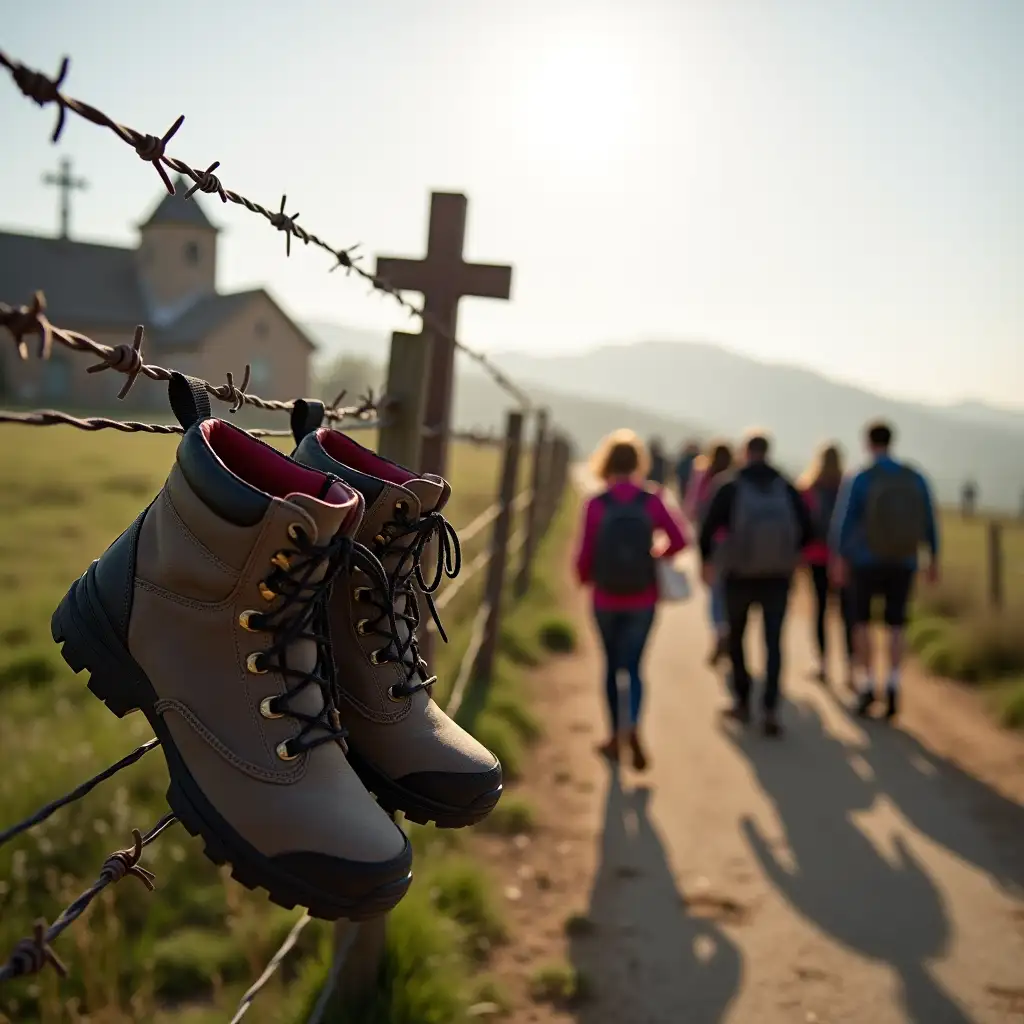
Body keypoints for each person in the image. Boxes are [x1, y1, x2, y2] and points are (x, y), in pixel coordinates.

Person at [574, 429, 688, 769]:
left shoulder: (597, 503)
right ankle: (634, 724)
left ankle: (613, 736)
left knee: (611, 668)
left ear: (606, 462)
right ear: (639, 463)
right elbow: (681, 539)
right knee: (635, 668)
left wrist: (586, 579)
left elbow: (584, 556)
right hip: (643, 597)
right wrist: (656, 553)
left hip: (606, 597)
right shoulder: (652, 500)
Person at [699, 430, 812, 736]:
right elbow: (809, 526)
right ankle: (771, 708)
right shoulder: (786, 486)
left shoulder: (730, 486)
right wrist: (792, 556)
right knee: (773, 642)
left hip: (739, 574)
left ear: (745, 451)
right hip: (778, 576)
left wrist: (707, 561)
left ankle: (743, 701)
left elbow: (707, 527)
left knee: (737, 636)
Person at [830, 420, 940, 720]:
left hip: (865, 561)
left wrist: (838, 558)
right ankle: (893, 684)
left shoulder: (861, 477)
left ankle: (867, 685)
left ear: (868, 442)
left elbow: (844, 521)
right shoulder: (914, 477)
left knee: (862, 622)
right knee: (896, 624)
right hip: (903, 562)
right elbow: (929, 519)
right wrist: (933, 558)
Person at [797, 443, 855, 688]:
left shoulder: (808, 488)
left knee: (820, 609)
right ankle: (852, 670)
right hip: (843, 558)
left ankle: (823, 664)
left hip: (817, 556)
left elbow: (801, 524)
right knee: (846, 613)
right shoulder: (848, 487)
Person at [684, 441, 735, 665]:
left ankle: (720, 630)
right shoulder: (735, 479)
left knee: (715, 593)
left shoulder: (703, 475)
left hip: (711, 543)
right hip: (736, 546)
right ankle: (730, 631)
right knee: (731, 592)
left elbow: (692, 507)